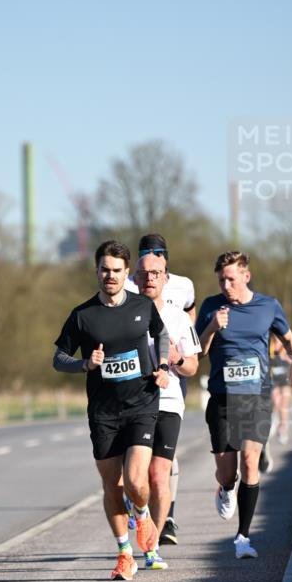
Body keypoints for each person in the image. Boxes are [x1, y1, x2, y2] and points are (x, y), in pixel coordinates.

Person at [53, 240, 170, 580]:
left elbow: (160, 335)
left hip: (141, 403)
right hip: (103, 412)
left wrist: (162, 364)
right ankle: (124, 553)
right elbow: (58, 358)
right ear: (97, 271)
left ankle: (144, 513)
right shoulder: (82, 315)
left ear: (125, 273)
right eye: (105, 269)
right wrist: (85, 364)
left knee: (136, 479)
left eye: (117, 270)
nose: (110, 276)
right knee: (111, 485)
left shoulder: (142, 306)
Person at [197, 251, 292, 560]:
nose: (226, 286)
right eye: (221, 280)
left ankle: (243, 537)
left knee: (250, 461)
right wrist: (212, 327)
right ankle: (225, 488)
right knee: (227, 472)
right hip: (221, 396)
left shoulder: (268, 306)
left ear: (246, 276)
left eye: (231, 279)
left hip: (257, 395)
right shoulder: (210, 306)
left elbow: (289, 339)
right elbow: (200, 351)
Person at [125, 232, 197, 545]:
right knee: (132, 477)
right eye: (143, 275)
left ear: (165, 278)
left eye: (155, 274)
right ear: (135, 279)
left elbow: (193, 367)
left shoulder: (179, 318)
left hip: (168, 402)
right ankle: (139, 513)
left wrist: (176, 359)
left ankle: (153, 541)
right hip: (131, 402)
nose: (149, 280)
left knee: (158, 473)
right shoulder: (123, 316)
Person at [270, 335, 292, 445]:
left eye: (280, 340)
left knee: (284, 405)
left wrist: (286, 357)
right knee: (276, 402)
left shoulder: (286, 348)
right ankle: (276, 420)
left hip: (285, 380)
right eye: (276, 340)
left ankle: (283, 429)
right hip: (274, 380)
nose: (278, 342)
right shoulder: (270, 349)